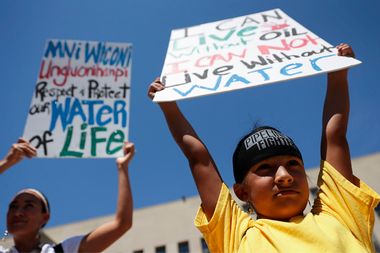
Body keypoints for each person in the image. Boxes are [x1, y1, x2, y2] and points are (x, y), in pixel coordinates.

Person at [148, 43, 380, 252]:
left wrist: (338, 74)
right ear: (241, 192)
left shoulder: (339, 214)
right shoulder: (236, 236)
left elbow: (335, 136)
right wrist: (168, 106)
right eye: (265, 168)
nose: (285, 176)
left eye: (293, 164)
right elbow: (198, 156)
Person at [1, 139, 135, 253]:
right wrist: (7, 162)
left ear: (45, 217)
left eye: (29, 206)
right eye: (13, 207)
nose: (18, 213)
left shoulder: (66, 250)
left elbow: (122, 224)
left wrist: (122, 167)